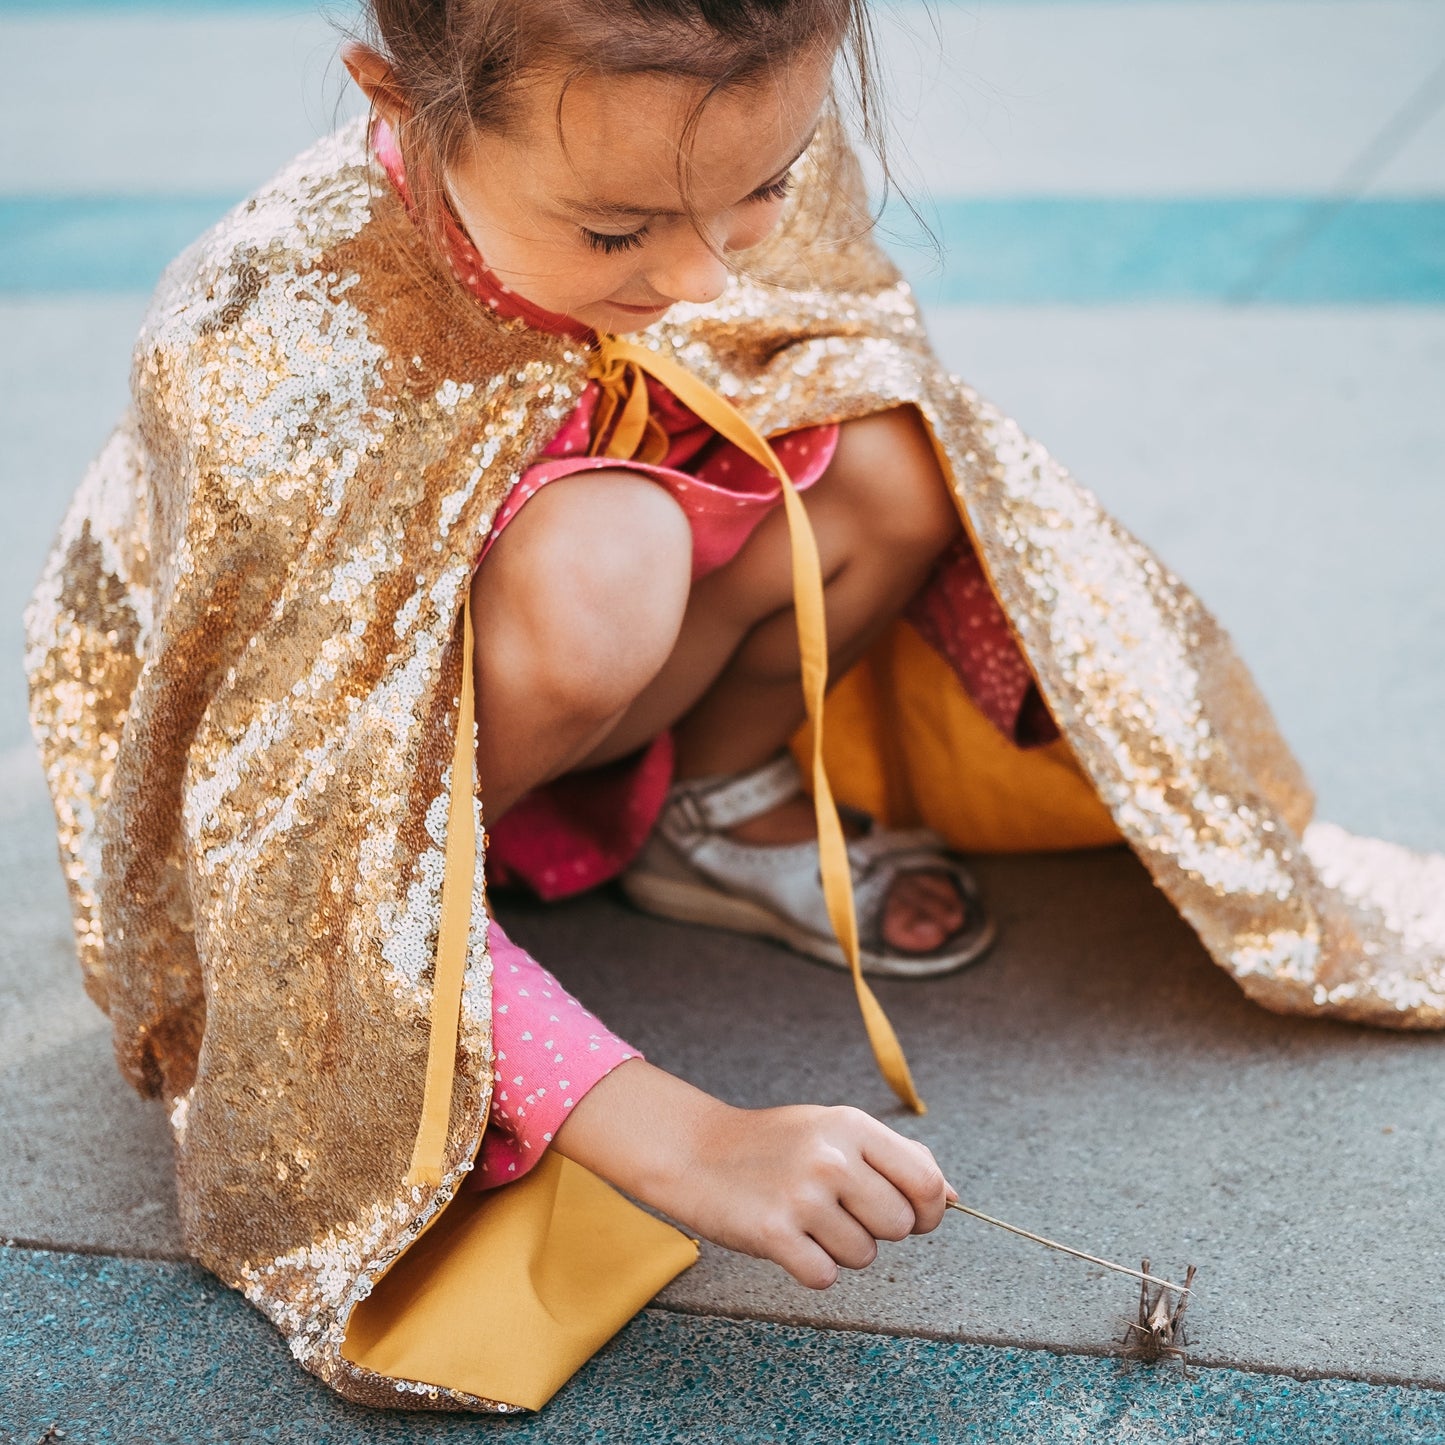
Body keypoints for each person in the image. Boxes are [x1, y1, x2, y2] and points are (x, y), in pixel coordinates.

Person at [25, 0, 1442, 1416]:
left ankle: (694, 807)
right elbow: (290, 852)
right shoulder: (280, 335)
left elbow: (822, 343)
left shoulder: (694, 129)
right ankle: (457, 949)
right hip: (351, 802)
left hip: (597, 633)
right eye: (616, 233)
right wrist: (679, 1136)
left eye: (760, 187)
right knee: (605, 572)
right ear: (395, 106)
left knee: (887, 461)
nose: (701, 279)